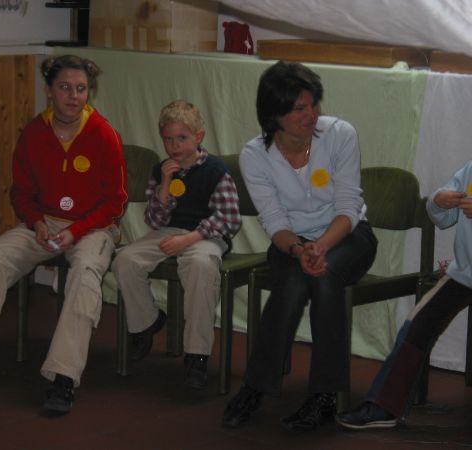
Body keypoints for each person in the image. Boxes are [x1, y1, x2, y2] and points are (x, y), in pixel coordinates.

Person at [0, 54, 128, 415]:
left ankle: (63, 377)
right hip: (43, 224)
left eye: (81, 88)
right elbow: (21, 192)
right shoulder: (33, 133)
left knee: (85, 273)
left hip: (94, 226)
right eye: (64, 87)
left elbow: (115, 202)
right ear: (49, 91)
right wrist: (36, 222)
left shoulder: (104, 133)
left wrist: (76, 231)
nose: (73, 96)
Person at [222, 61, 378, 432]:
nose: (311, 115)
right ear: (274, 115)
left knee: (323, 275)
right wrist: (299, 250)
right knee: (294, 281)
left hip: (348, 236)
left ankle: (323, 395)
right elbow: (274, 222)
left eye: (313, 104)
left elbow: (348, 208)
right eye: (298, 109)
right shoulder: (254, 156)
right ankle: (256, 387)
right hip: (291, 243)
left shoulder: (340, 135)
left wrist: (320, 247)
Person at [112, 100, 242, 389]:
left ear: (198, 136)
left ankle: (196, 354)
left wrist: (191, 238)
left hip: (206, 235)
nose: (174, 146)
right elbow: (154, 221)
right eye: (168, 139)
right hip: (169, 231)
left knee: (199, 266)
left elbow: (229, 218)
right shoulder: (162, 170)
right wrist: (163, 187)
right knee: (125, 260)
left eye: (182, 138)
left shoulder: (215, 170)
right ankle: (147, 322)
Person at [336, 161, 472, 430]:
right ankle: (384, 406)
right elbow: (440, 214)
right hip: (465, 274)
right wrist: (439, 201)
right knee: (417, 325)